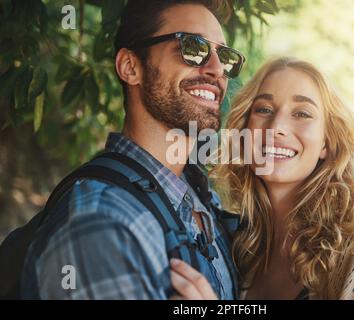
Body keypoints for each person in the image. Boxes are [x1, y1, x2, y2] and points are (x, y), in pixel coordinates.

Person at [20, 0, 246, 299]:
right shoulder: (102, 222)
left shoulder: (201, 197)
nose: (218, 70)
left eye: (225, 55)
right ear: (130, 67)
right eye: (194, 47)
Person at [169, 57, 354, 300]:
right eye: (264, 109)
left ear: (326, 142)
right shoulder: (238, 247)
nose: (277, 127)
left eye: (302, 113)